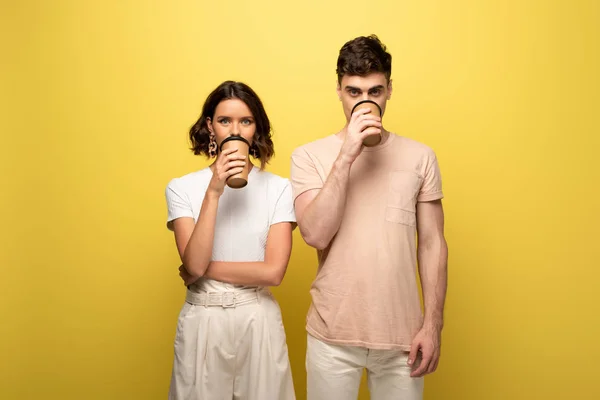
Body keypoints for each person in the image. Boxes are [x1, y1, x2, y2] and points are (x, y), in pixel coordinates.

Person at [290, 35, 449, 399]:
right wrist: (347, 154)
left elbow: (432, 244)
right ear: (339, 90)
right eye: (354, 91)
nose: (364, 101)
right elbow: (314, 233)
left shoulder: (420, 156)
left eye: (375, 91)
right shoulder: (308, 156)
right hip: (332, 336)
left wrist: (433, 324)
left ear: (389, 90)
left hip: (403, 339)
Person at [165, 80, 296, 400]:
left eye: (245, 121)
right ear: (211, 126)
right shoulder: (182, 188)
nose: (234, 130)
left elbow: (273, 273)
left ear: (256, 129)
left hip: (258, 319)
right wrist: (214, 190)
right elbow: (192, 264)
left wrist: (200, 270)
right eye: (225, 121)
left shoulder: (279, 188)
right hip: (203, 320)